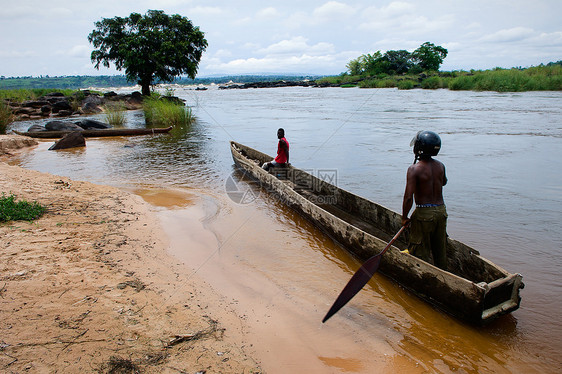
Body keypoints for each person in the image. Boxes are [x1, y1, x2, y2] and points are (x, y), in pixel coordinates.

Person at [401, 130, 448, 270]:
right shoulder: (440, 166)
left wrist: (404, 217)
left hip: (424, 214)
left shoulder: (414, 169)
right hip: (441, 211)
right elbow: (443, 182)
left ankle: (421, 275)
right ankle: (443, 272)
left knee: (419, 251)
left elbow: (409, 197)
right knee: (440, 249)